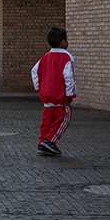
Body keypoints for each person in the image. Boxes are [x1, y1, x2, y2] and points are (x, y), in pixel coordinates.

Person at [31, 27, 76, 156]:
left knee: (46, 122)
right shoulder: (67, 57)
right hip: (59, 96)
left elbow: (34, 71)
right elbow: (68, 77)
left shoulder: (45, 57)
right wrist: (69, 94)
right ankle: (49, 141)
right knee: (64, 117)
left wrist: (39, 87)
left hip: (46, 95)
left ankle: (42, 143)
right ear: (63, 42)